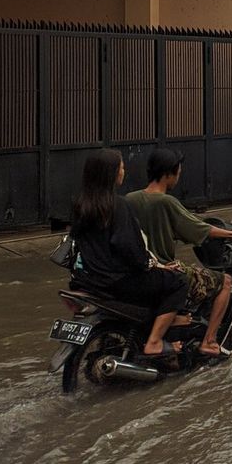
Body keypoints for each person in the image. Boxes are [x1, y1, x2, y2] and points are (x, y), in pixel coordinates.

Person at [69, 148, 189, 357]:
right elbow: (132, 251)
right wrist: (154, 265)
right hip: (119, 282)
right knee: (179, 280)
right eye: (122, 167)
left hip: (89, 280)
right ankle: (154, 342)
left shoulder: (80, 205)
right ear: (112, 173)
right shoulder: (118, 206)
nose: (124, 171)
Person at [126, 148, 232, 358]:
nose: (179, 176)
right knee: (224, 282)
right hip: (164, 272)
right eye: (178, 172)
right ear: (168, 174)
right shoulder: (166, 202)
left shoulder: (130, 199)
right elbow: (199, 228)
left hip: (139, 272)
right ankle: (209, 341)